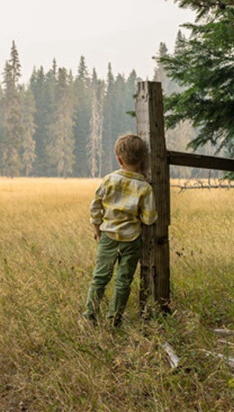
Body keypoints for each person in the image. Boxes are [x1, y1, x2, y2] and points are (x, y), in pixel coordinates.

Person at [82, 133, 157, 328]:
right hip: (132, 239)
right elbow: (149, 218)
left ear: (119, 159)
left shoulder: (109, 180)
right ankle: (114, 320)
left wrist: (97, 228)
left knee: (100, 277)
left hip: (108, 237)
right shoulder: (145, 187)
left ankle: (90, 317)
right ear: (143, 159)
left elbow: (95, 207)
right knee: (123, 281)